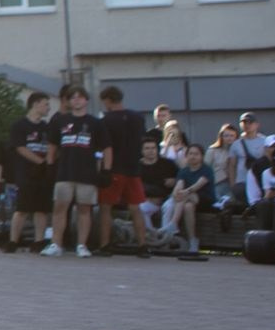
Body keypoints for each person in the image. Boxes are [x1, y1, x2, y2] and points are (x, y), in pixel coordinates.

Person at [44, 87, 108, 256]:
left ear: (86, 100)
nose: (77, 101)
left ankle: (82, 245)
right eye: (73, 98)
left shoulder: (96, 123)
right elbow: (52, 146)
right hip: (65, 171)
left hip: (87, 173)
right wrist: (50, 166)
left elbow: (106, 148)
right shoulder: (60, 121)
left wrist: (105, 170)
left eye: (80, 98)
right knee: (59, 207)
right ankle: (55, 244)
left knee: (84, 209)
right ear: (68, 101)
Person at [95, 86, 150, 252]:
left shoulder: (105, 120)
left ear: (108, 100)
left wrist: (103, 168)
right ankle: (143, 245)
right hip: (133, 168)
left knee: (106, 207)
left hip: (114, 168)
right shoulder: (138, 118)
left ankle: (105, 245)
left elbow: (105, 146)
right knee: (135, 207)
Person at [6, 91, 55, 252]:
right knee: (23, 208)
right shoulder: (20, 125)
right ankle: (13, 241)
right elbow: (20, 148)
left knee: (41, 208)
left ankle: (39, 241)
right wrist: (39, 161)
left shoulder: (46, 128)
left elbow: (52, 147)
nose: (48, 107)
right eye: (46, 104)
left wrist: (48, 162)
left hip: (43, 173)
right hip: (26, 172)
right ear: (35, 104)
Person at [168, 144, 215, 252]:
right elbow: (179, 184)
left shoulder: (206, 169)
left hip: (205, 199)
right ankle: (193, 240)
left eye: (196, 154)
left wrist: (184, 192)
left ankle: (173, 223)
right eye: (190, 154)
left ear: (201, 156)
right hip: (189, 201)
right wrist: (176, 192)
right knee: (188, 207)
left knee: (188, 195)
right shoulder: (184, 171)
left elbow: (199, 185)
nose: (193, 156)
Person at [134, 138, 178, 249]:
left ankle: (166, 239)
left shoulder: (168, 164)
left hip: (166, 199)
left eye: (153, 148)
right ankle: (152, 237)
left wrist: (174, 181)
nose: (150, 151)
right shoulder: (137, 166)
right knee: (140, 208)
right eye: (147, 148)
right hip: (147, 200)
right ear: (142, 151)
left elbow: (178, 180)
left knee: (170, 206)